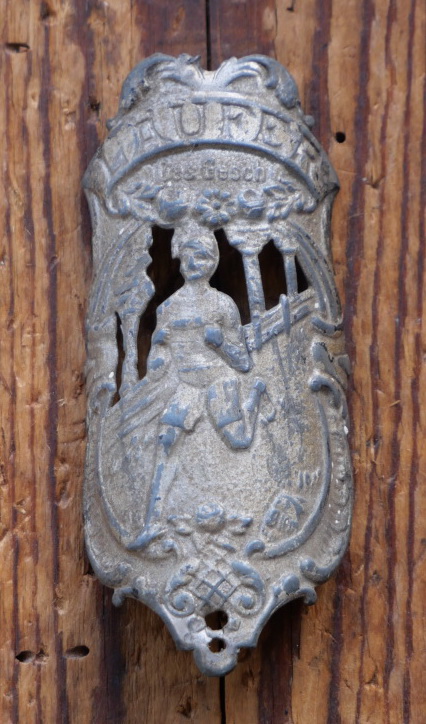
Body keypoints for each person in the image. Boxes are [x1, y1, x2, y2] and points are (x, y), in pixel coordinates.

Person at [127, 226, 274, 551]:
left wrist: (220, 344)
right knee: (166, 441)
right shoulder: (168, 309)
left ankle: (256, 396)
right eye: (191, 255)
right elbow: (157, 365)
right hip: (187, 386)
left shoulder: (222, 305)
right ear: (180, 259)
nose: (197, 262)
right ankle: (152, 522)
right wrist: (158, 347)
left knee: (239, 439)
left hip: (219, 380)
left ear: (214, 262)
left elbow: (243, 362)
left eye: (205, 256)